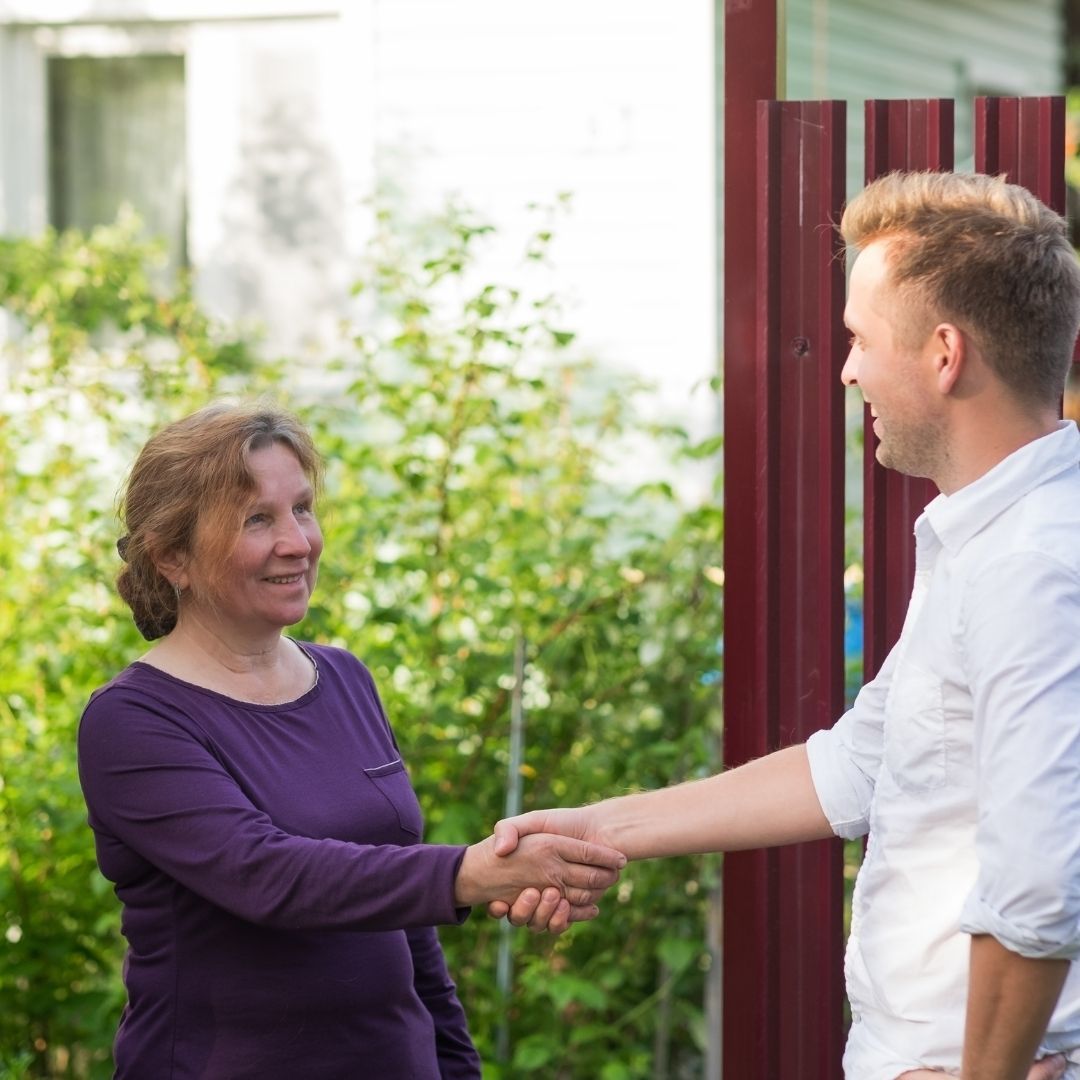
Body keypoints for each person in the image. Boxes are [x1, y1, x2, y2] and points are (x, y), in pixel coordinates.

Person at [491, 171, 1080, 1080]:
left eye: (859, 340)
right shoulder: (988, 537)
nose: (846, 370)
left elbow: (1039, 887)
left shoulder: (1030, 566)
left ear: (945, 354)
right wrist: (595, 830)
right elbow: (857, 765)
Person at [77, 402, 625, 1079]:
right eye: (258, 519)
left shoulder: (342, 677)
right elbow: (267, 875)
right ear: (172, 556)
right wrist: (471, 874)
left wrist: (455, 1065)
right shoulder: (134, 720)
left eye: (302, 509)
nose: (297, 541)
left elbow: (408, 921)